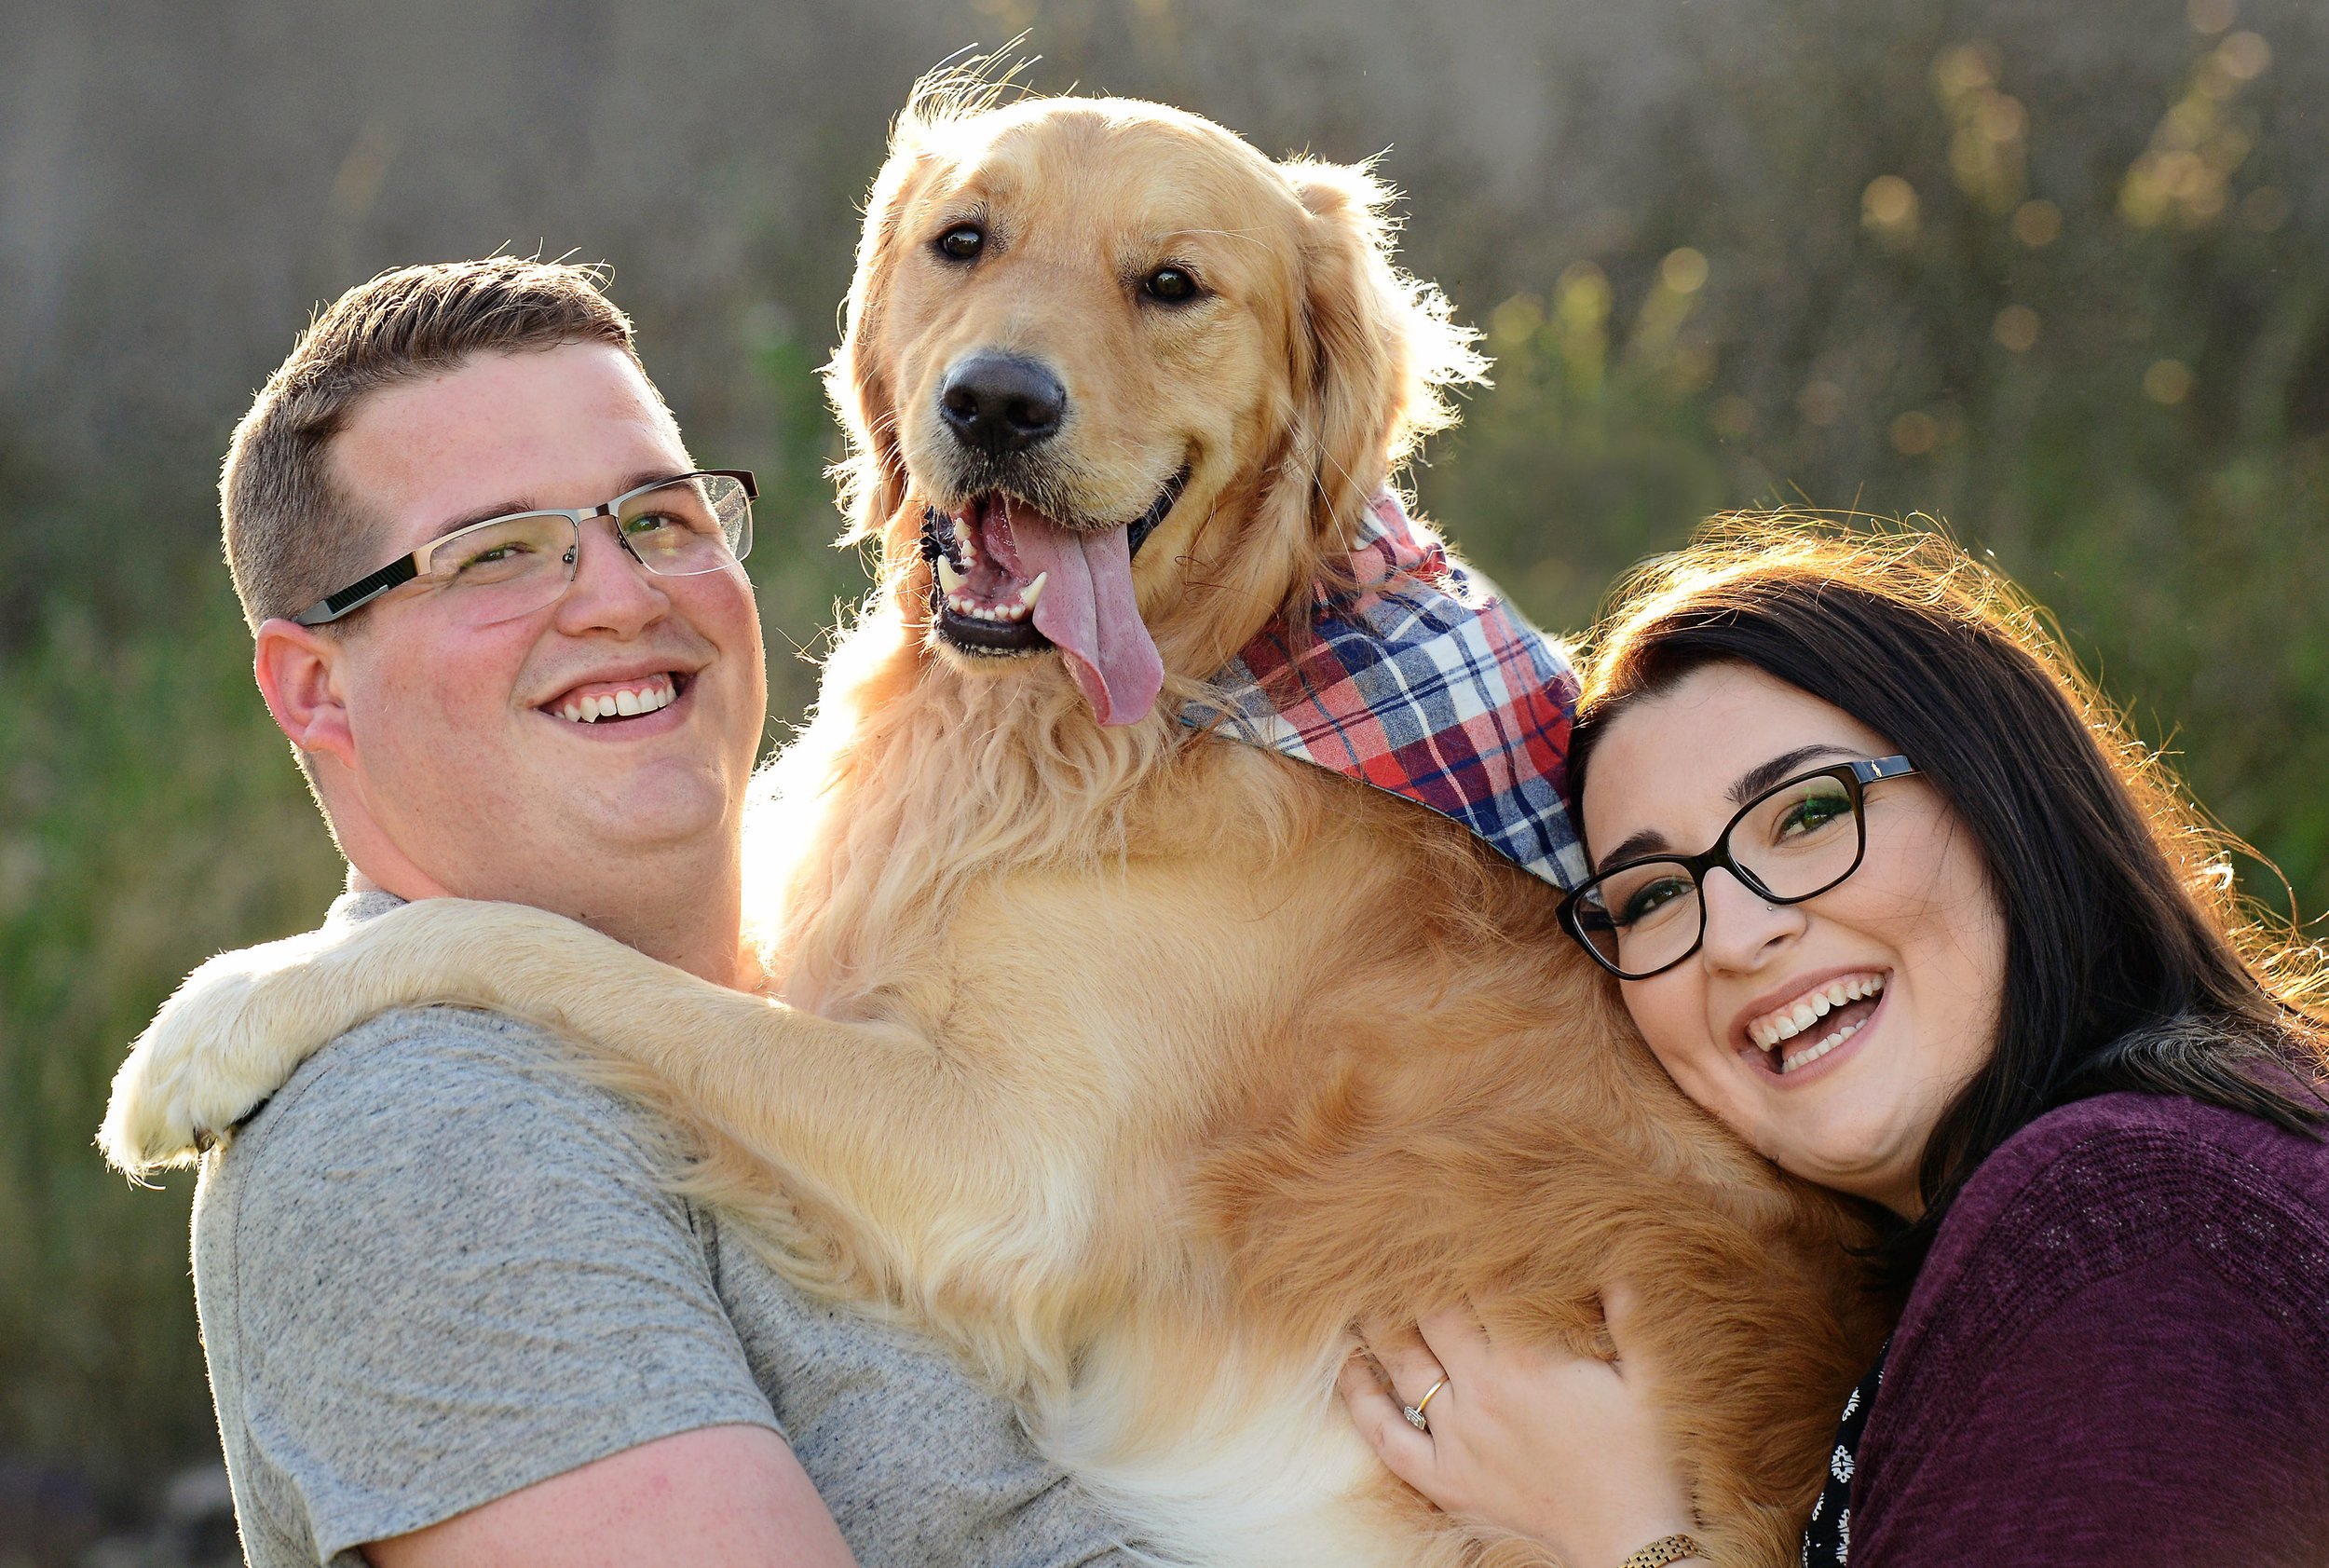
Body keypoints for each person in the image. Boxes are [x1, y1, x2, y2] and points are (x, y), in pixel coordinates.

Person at [193, 256, 1137, 1568]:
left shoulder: (893, 1013)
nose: (626, 593)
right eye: (497, 553)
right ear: (315, 687)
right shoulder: (425, 1122)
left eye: (661, 517)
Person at [1340, 522, 2329, 1567]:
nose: (1732, 935)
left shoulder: (2128, 1216)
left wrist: (1628, 1534)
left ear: (2005, 797)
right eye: (1654, 895)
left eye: (1807, 813)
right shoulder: (2051, 1240)